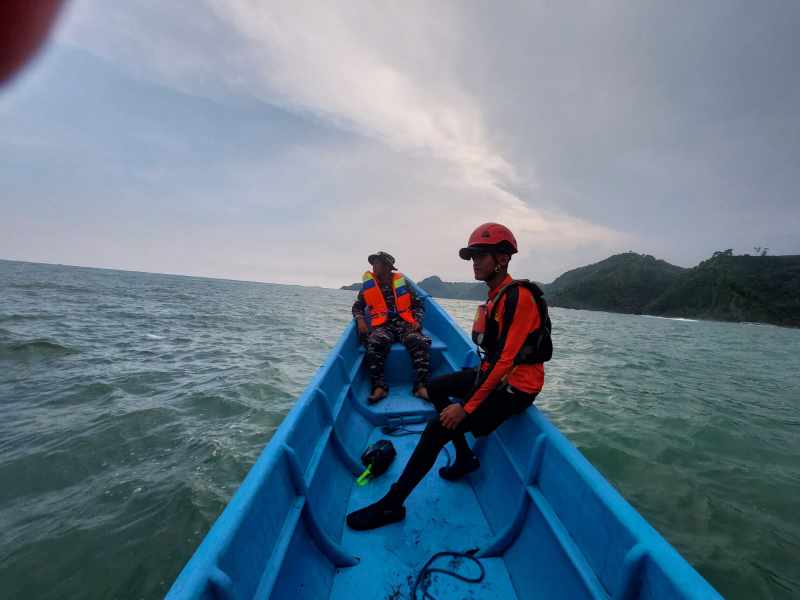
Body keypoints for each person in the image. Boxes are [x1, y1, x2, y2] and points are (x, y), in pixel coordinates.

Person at [347, 224, 549, 530]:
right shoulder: (497, 296)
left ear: (503, 259)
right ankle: (465, 457)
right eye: (472, 256)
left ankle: (392, 505)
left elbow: (505, 361)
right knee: (437, 386)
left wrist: (465, 408)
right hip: (494, 377)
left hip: (515, 388)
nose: (475, 262)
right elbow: (493, 361)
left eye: (481, 256)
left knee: (436, 427)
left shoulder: (518, 298)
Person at [352, 251, 431, 404]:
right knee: (374, 342)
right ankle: (379, 387)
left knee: (419, 341)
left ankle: (421, 387)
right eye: (373, 263)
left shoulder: (402, 282)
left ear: (388, 266)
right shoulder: (368, 286)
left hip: (404, 323)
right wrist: (360, 320)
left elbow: (418, 306)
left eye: (377, 262)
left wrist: (417, 321)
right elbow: (357, 307)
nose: (374, 266)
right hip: (383, 325)